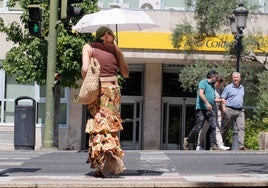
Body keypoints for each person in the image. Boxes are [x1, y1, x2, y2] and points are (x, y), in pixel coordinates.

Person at [81, 26, 129, 177]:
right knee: (110, 124)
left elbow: (84, 68)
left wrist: (88, 80)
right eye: (111, 34)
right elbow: (126, 73)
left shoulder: (88, 47)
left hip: (98, 88)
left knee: (98, 123)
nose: (113, 36)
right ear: (104, 35)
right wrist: (117, 54)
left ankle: (102, 163)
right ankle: (109, 153)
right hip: (113, 89)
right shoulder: (116, 49)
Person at [183, 70, 219, 150]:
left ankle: (213, 145)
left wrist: (219, 100)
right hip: (201, 109)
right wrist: (207, 103)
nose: (217, 79)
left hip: (210, 109)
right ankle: (188, 140)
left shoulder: (213, 86)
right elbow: (201, 93)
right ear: (212, 77)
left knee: (213, 126)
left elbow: (212, 98)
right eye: (216, 77)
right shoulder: (203, 82)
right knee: (198, 127)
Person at [196, 76, 230, 151]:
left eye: (220, 83)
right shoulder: (211, 88)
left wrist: (222, 112)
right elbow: (212, 99)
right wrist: (221, 100)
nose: (219, 85)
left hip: (217, 111)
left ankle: (220, 145)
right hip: (209, 110)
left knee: (218, 127)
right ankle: (199, 145)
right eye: (218, 83)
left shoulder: (219, 90)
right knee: (204, 128)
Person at [221, 72, 247, 150]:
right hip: (229, 109)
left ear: (240, 79)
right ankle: (221, 143)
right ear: (232, 78)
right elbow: (223, 99)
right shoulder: (228, 87)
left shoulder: (242, 87)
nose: (235, 79)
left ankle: (241, 145)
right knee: (226, 127)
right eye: (234, 77)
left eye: (236, 77)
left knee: (241, 127)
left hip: (240, 110)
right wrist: (224, 110)